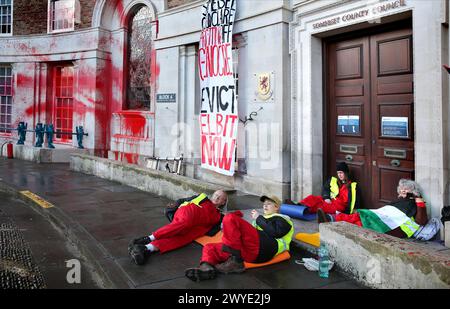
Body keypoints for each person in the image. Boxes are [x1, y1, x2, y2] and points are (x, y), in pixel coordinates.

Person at [184, 195, 294, 282]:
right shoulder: (262, 220)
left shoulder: (283, 218)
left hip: (267, 247)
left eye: (269, 204)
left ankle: (236, 261)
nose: (265, 206)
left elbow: (275, 232)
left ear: (277, 207)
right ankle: (206, 268)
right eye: (264, 204)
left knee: (230, 218)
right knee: (210, 247)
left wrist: (258, 218)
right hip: (250, 251)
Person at [128, 190, 228, 265]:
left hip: (194, 227)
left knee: (183, 239)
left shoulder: (219, 216)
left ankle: (146, 248)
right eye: (216, 195)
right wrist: (174, 206)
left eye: (221, 197)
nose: (217, 197)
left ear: (223, 202)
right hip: (186, 214)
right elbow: (182, 200)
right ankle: (149, 238)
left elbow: (214, 229)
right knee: (185, 223)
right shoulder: (203, 197)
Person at [317, 179, 428, 239]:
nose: (403, 190)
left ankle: (332, 219)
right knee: (360, 216)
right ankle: (332, 218)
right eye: (402, 188)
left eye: (406, 188)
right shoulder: (400, 201)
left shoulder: (414, 203)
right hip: (384, 219)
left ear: (412, 190)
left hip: (396, 228)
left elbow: (421, 221)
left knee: (362, 219)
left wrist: (417, 198)